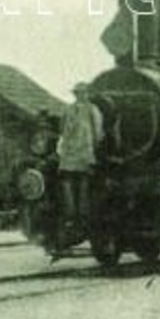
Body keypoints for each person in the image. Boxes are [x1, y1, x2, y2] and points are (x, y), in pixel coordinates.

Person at [56, 83, 103, 250]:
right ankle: (74, 214)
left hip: (80, 152)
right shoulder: (74, 110)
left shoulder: (88, 110)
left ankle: (78, 215)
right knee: (72, 182)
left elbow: (96, 131)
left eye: (81, 93)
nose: (79, 96)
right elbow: (63, 129)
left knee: (79, 182)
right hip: (75, 152)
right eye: (78, 93)